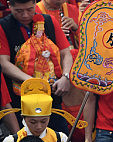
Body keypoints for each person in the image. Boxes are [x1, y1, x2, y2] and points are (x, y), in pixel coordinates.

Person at [0, 0, 72, 132]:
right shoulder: (3, 27)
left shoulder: (49, 21)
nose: (26, 15)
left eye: (29, 9)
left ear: (35, 3)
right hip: (21, 100)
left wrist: (66, 77)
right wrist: (32, 82)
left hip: (51, 98)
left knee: (59, 141)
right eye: (19, 11)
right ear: (10, 6)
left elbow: (66, 53)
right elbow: (3, 63)